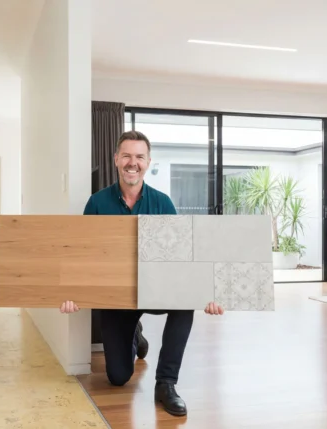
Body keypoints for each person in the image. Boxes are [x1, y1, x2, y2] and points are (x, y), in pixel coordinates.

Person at [59, 130, 224, 417]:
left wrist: (206, 293)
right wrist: (73, 294)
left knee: (185, 304)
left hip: (154, 290)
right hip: (116, 298)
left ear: (148, 162)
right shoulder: (97, 203)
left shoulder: (163, 203)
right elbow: (82, 255)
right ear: (116, 159)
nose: (132, 163)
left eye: (139, 157)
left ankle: (166, 384)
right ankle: (136, 332)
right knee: (118, 378)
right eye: (126, 156)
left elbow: (182, 259)